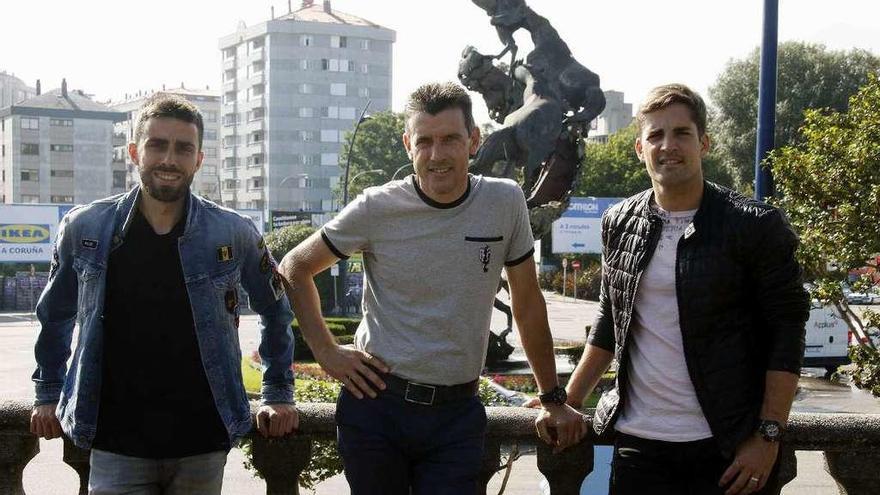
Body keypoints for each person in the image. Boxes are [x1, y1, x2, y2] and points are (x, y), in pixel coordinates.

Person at [279, 81, 584, 494]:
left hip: (456, 416)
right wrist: (327, 352)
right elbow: (294, 266)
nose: (437, 155)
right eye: (424, 142)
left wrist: (551, 397)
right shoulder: (377, 207)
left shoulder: (504, 202)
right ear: (408, 144)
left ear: (473, 141)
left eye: (450, 140)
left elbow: (528, 304)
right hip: (377, 409)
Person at [30, 94, 298, 494]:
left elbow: (275, 310)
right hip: (115, 440)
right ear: (136, 152)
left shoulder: (233, 232)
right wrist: (48, 390)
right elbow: (55, 315)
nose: (169, 160)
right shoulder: (85, 228)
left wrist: (278, 391)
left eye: (183, 148)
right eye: (157, 145)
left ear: (198, 159)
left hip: (202, 439)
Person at [561, 84, 809, 495]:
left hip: (729, 447)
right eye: (655, 135)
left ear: (704, 143)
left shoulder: (753, 225)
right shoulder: (619, 221)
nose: (667, 146)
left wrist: (768, 435)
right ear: (640, 148)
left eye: (681, 134)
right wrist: (568, 399)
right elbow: (611, 320)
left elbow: (787, 329)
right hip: (639, 446)